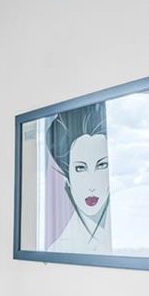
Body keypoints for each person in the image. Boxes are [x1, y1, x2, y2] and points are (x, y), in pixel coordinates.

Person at [46, 102, 111, 253]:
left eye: (102, 165)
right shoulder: (59, 249)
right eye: (80, 168)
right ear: (68, 177)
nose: (92, 185)